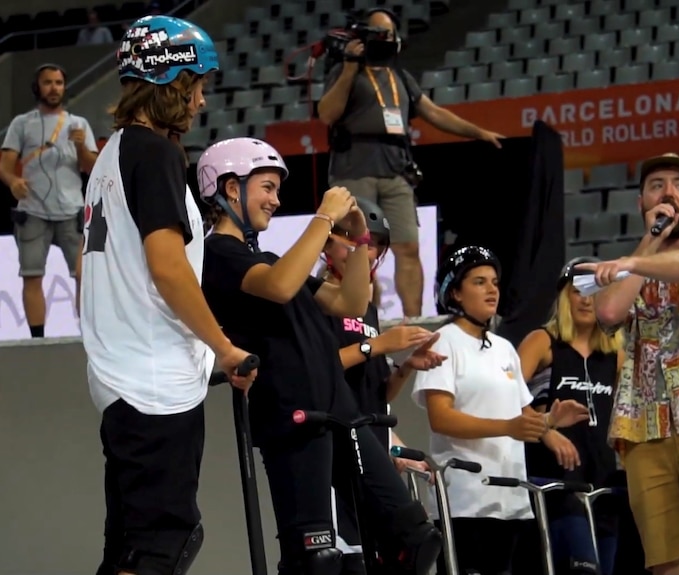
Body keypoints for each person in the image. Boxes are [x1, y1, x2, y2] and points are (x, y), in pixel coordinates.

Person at [198, 137, 443, 575]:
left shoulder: (272, 258)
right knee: (316, 558)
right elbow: (278, 286)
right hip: (293, 418)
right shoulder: (217, 254)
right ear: (231, 188)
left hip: (342, 415)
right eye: (267, 187)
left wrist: (359, 239)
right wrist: (323, 217)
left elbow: (349, 302)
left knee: (415, 536)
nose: (275, 200)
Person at [78, 16, 256, 575]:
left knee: (130, 547)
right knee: (165, 541)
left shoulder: (110, 155)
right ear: (172, 80)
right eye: (197, 83)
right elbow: (168, 267)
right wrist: (224, 347)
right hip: (153, 384)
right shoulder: (154, 154)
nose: (201, 99)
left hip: (120, 377)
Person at [316, 7, 504, 320]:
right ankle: (347, 314)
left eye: (388, 33)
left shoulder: (400, 77)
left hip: (396, 171)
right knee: (350, 249)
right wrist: (349, 67)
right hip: (355, 170)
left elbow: (434, 112)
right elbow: (327, 114)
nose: (384, 39)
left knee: (408, 247)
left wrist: (478, 132)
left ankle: (414, 318)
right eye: (377, 32)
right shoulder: (345, 72)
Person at [411, 245, 589, 575]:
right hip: (465, 501)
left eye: (494, 281)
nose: (492, 289)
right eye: (479, 281)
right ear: (455, 293)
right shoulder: (442, 341)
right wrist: (509, 427)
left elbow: (521, 416)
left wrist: (549, 423)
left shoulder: (504, 347)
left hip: (512, 501)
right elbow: (441, 418)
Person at [576, 153, 679, 575]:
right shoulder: (633, 263)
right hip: (645, 424)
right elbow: (609, 312)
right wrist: (644, 246)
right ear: (642, 203)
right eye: (657, 185)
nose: (668, 192)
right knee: (666, 558)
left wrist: (630, 263)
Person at [320, 196, 446, 574]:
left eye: (375, 243)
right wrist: (375, 345)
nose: (367, 250)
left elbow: (377, 396)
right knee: (352, 560)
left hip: (371, 446)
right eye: (355, 239)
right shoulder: (317, 300)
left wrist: (404, 367)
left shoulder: (369, 310)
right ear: (326, 243)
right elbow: (317, 371)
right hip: (336, 451)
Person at [517, 257, 624, 575]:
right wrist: (546, 430)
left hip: (603, 484)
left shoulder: (614, 355)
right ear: (565, 296)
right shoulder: (543, 342)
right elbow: (506, 395)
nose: (587, 299)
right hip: (556, 484)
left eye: (595, 291)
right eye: (579, 290)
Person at [0, 62, 99, 338]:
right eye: (48, 82)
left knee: (84, 276)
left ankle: (89, 336)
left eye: (58, 82)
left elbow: (93, 168)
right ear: (37, 87)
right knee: (31, 275)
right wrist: (14, 181)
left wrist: (80, 145)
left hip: (72, 210)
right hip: (32, 210)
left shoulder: (79, 124)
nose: (54, 88)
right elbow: (4, 167)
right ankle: (37, 339)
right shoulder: (22, 124)